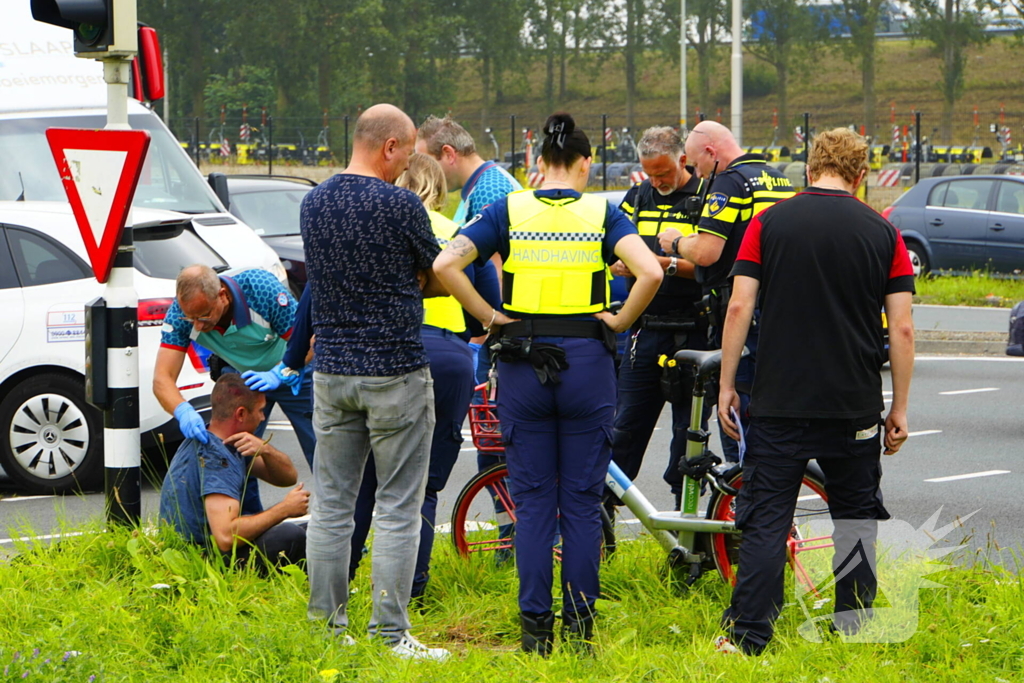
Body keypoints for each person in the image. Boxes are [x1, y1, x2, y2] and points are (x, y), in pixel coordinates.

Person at [434, 112, 662, 655]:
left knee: (533, 503)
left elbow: (448, 263)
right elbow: (650, 272)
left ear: (538, 164)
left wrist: (490, 317)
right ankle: (581, 632)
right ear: (585, 163)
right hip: (587, 362)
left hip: (521, 363)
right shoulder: (603, 212)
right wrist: (620, 320)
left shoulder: (509, 209)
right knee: (582, 503)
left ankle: (535, 634)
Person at [715, 127, 915, 655]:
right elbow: (902, 330)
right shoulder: (884, 233)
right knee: (854, 514)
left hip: (780, 398)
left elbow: (739, 307)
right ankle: (853, 626)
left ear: (808, 168)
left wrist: (727, 383)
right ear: (862, 175)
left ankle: (749, 635)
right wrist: (899, 407)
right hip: (853, 402)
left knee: (766, 517)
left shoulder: (769, 223)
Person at [301, 103, 449, 661]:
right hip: (395, 373)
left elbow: (324, 281)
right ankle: (389, 635)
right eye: (407, 153)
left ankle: (325, 628)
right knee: (397, 507)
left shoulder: (313, 202)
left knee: (333, 506)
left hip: (333, 372)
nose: (406, 164)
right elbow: (439, 275)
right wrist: (408, 284)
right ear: (389, 146)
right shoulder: (402, 205)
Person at [347, 154, 501, 598]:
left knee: (367, 479)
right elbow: (487, 306)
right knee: (425, 482)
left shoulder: (375, 229)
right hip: (449, 356)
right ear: (439, 186)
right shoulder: (457, 234)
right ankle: (411, 588)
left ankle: (346, 577)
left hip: (387, 351)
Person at [657, 121, 795, 462]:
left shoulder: (729, 183)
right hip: (781, 308)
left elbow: (707, 252)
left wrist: (675, 242)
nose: (696, 172)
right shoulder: (777, 178)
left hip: (744, 310)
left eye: (695, 163)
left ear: (711, 152)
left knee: (737, 411)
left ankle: (744, 495)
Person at [609, 126, 708, 509]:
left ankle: (687, 529)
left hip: (692, 333)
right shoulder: (637, 196)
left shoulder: (704, 198)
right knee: (624, 431)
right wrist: (620, 263)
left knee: (688, 437)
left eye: (663, 173)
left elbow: (709, 263)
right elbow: (616, 243)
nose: (657, 181)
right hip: (644, 331)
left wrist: (663, 265)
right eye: (649, 173)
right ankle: (602, 525)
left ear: (683, 160)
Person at [154, 265, 316, 470]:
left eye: (204, 316)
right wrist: (182, 410)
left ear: (222, 295)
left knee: (321, 449)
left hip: (292, 369)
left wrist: (280, 372)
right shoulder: (181, 313)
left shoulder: (261, 290)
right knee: (231, 456)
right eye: (191, 318)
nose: (197, 326)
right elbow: (162, 378)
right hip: (243, 377)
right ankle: (243, 503)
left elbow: (308, 342)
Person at [159, 374, 309, 571]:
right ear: (240, 414)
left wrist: (266, 449)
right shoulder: (217, 459)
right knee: (291, 535)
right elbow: (226, 537)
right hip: (204, 560)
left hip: (202, 551)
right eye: (260, 411)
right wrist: (285, 509)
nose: (263, 417)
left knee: (314, 531)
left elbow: (287, 478)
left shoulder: (222, 441)